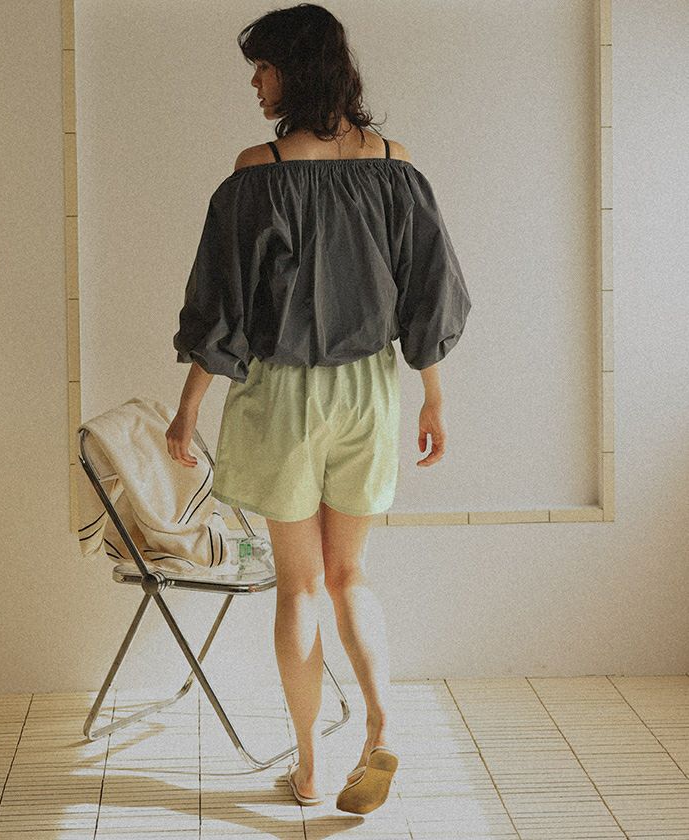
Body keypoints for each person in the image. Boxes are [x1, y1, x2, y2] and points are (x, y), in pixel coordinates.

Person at [166, 2, 471, 815]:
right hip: (370, 388)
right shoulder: (395, 167)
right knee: (350, 574)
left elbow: (222, 309)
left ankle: (307, 769)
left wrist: (187, 409)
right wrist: (433, 397)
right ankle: (382, 722)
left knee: (299, 585)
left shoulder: (258, 171)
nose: (256, 85)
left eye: (263, 68)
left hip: (283, 393)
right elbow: (429, 291)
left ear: (293, 70)